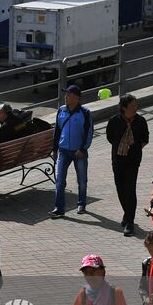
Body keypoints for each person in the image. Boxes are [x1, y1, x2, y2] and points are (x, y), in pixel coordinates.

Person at [106, 94, 150, 235]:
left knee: (130, 190)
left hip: (133, 161)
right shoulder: (114, 121)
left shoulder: (140, 121)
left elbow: (145, 139)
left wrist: (134, 150)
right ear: (124, 108)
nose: (135, 108)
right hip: (118, 161)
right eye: (132, 106)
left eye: (136, 105)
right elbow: (110, 137)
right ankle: (127, 213)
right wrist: (122, 148)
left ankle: (130, 222)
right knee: (120, 189)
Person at [53, 85, 95, 216]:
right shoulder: (61, 111)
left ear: (77, 98)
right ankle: (59, 208)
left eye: (69, 95)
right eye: (66, 95)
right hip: (63, 151)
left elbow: (89, 132)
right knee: (59, 180)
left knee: (82, 180)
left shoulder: (85, 113)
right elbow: (57, 131)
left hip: (79, 152)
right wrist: (54, 149)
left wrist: (83, 148)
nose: (66, 97)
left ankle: (81, 204)